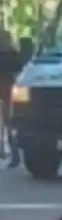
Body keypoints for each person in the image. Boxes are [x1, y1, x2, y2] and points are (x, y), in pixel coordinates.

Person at [0, 30, 22, 167]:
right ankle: (14, 153)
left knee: (7, 122)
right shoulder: (12, 52)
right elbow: (18, 68)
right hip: (9, 86)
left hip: (6, 86)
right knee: (9, 121)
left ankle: (4, 150)